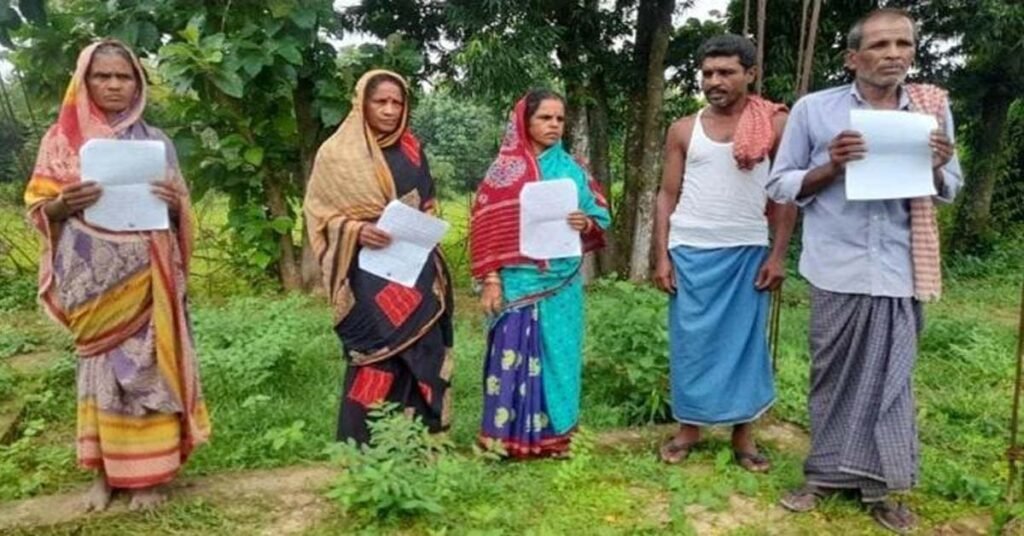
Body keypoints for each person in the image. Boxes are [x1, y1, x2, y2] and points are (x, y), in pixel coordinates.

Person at [767, 9, 961, 534]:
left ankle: (881, 489)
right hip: (837, 268)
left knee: (892, 384)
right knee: (831, 379)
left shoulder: (930, 110)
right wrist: (831, 165)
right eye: (879, 45)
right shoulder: (815, 110)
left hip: (901, 269)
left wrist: (936, 165)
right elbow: (780, 184)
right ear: (852, 57)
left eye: (903, 43)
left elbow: (950, 188)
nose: (893, 54)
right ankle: (822, 477)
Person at [23, 40, 210, 512]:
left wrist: (173, 204)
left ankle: (149, 476)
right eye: (101, 76)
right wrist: (63, 204)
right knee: (101, 373)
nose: (112, 85)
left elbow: (181, 208)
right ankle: (105, 474)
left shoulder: (156, 142)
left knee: (151, 368)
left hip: (149, 281)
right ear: (83, 81)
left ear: (137, 83)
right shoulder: (60, 141)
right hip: (90, 286)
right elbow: (38, 208)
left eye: (123, 77)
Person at [652, 34, 796, 472]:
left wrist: (778, 255)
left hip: (747, 251)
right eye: (708, 73)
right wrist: (662, 256)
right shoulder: (683, 129)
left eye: (726, 72)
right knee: (691, 343)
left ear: (750, 74)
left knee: (744, 345)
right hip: (690, 250)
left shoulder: (774, 124)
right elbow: (667, 194)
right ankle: (689, 429)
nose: (714, 81)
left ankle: (743, 436)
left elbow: (785, 195)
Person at [304, 70, 454, 445]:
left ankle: (422, 443)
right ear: (362, 103)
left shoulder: (412, 150)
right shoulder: (337, 153)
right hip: (366, 275)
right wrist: (355, 230)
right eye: (380, 101)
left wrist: (425, 222)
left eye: (397, 102)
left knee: (425, 350)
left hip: (415, 269)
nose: (389, 110)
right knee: (376, 355)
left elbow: (428, 200)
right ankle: (364, 446)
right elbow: (319, 214)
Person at [470, 89, 610, 458]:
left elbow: (600, 214)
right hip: (516, 281)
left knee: (560, 355)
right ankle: (503, 439)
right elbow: (484, 226)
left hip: (561, 281)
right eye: (545, 118)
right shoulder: (503, 172)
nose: (554, 125)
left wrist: (585, 222)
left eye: (559, 119)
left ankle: (556, 437)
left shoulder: (572, 170)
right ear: (524, 121)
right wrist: (491, 279)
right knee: (511, 353)